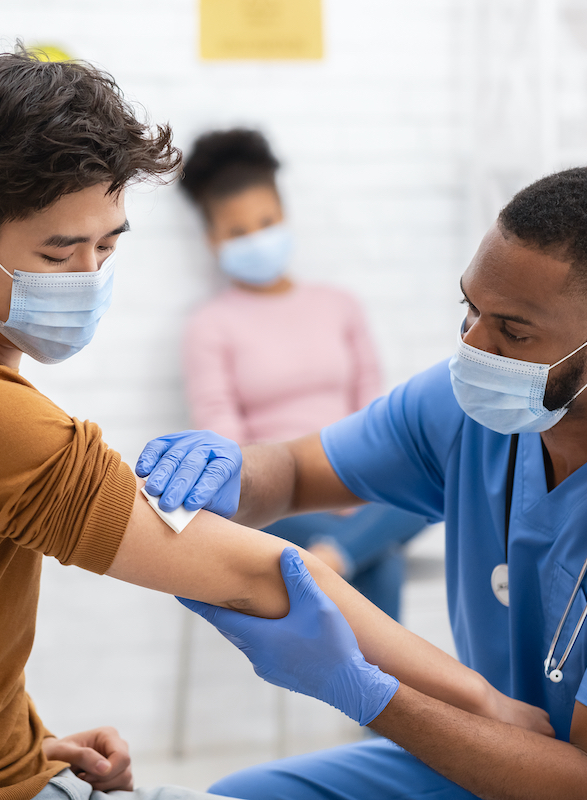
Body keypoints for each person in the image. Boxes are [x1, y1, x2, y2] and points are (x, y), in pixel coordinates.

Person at [0, 50, 551, 800]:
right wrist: (486, 704)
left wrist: (25, 743)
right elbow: (265, 575)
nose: (91, 279)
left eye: (107, 246)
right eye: (60, 255)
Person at [140, 166, 587, 799]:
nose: (472, 344)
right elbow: (292, 473)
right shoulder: (466, 406)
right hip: (522, 752)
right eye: (470, 308)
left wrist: (362, 691)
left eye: (512, 331)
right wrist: (232, 474)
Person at [177, 128, 428, 620]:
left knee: (433, 478)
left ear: (285, 217)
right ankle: (394, 687)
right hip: (274, 502)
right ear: (213, 240)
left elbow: (373, 411)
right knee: (382, 562)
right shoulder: (208, 326)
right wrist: (302, 491)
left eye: (266, 222)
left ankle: (330, 562)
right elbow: (224, 438)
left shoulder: (340, 305)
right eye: (237, 231)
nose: (256, 238)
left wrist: (353, 485)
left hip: (356, 478)